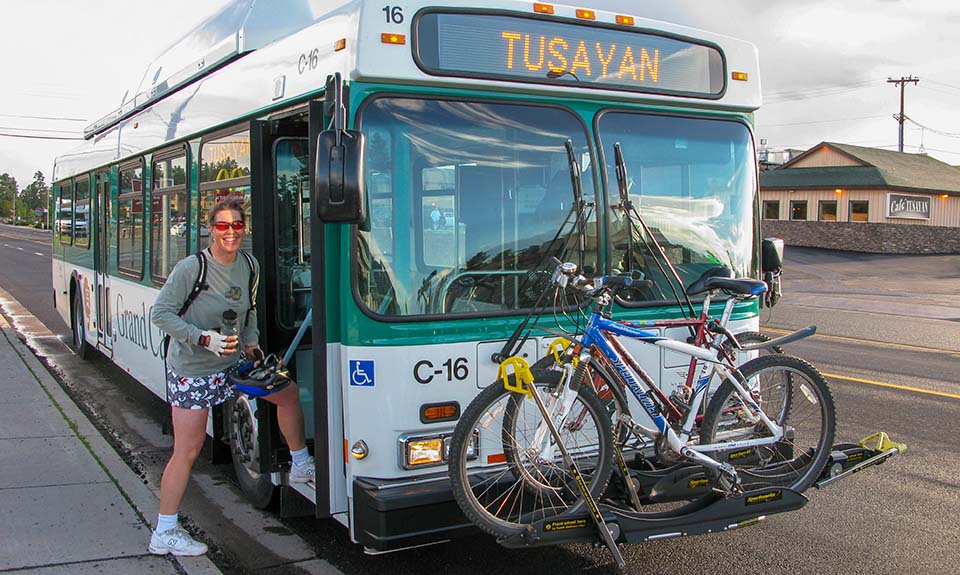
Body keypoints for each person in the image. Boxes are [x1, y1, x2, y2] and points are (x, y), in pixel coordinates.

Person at [149, 200, 313, 556]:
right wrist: (203, 338)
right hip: (193, 370)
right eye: (223, 226)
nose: (231, 233)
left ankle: (300, 464)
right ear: (211, 229)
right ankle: (164, 531)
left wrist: (251, 341)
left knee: (287, 394)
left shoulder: (249, 265)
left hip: (233, 363)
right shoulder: (193, 267)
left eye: (237, 226)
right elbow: (160, 314)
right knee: (188, 450)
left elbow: (250, 310)